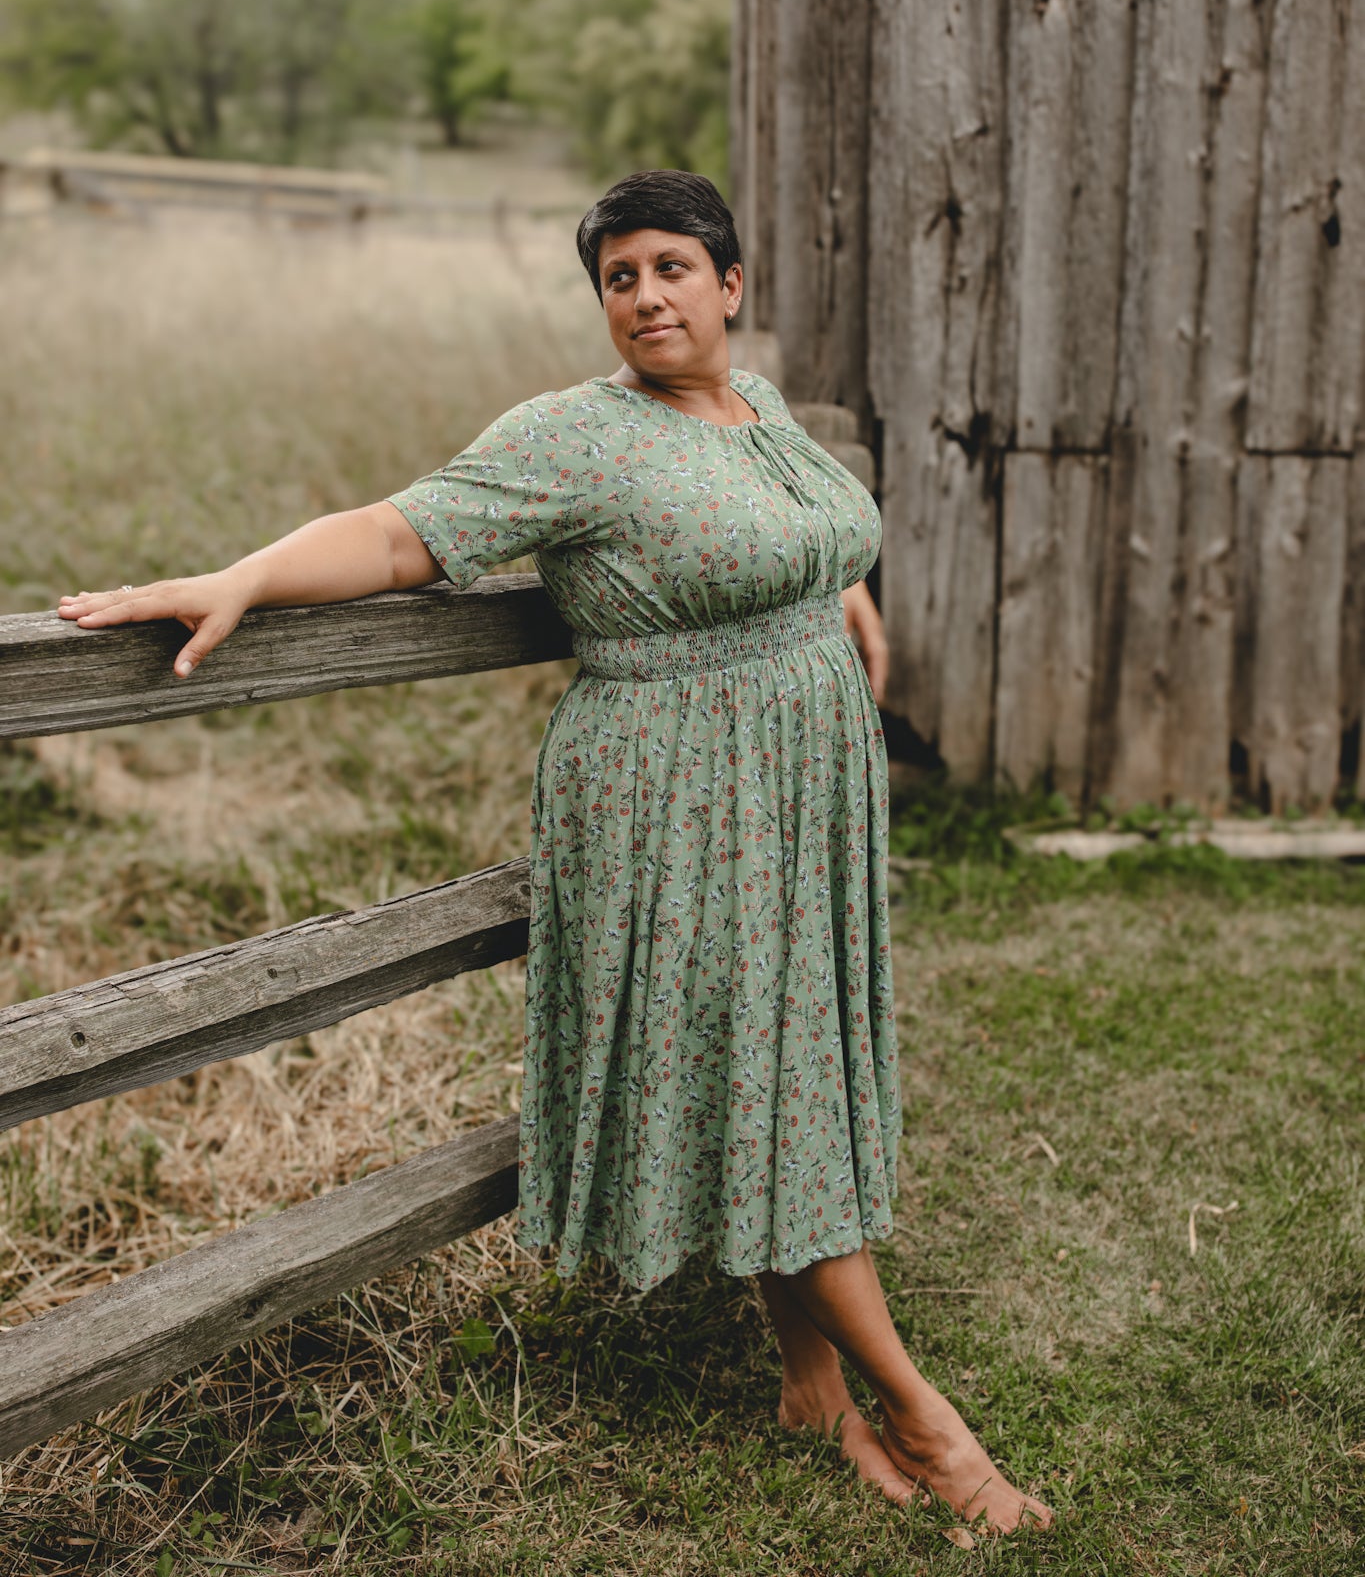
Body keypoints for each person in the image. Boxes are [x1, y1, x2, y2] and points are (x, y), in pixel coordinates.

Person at [59, 170, 1051, 1533]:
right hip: (672, 784)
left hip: (796, 776)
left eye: (668, 268)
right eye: (617, 277)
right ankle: (926, 1422)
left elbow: (790, 514)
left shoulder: (756, 405)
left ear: (728, 285)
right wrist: (244, 573)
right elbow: (406, 534)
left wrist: (840, 587)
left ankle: (811, 1384)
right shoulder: (573, 437)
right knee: (756, 1058)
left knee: (782, 1053)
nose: (643, 296)